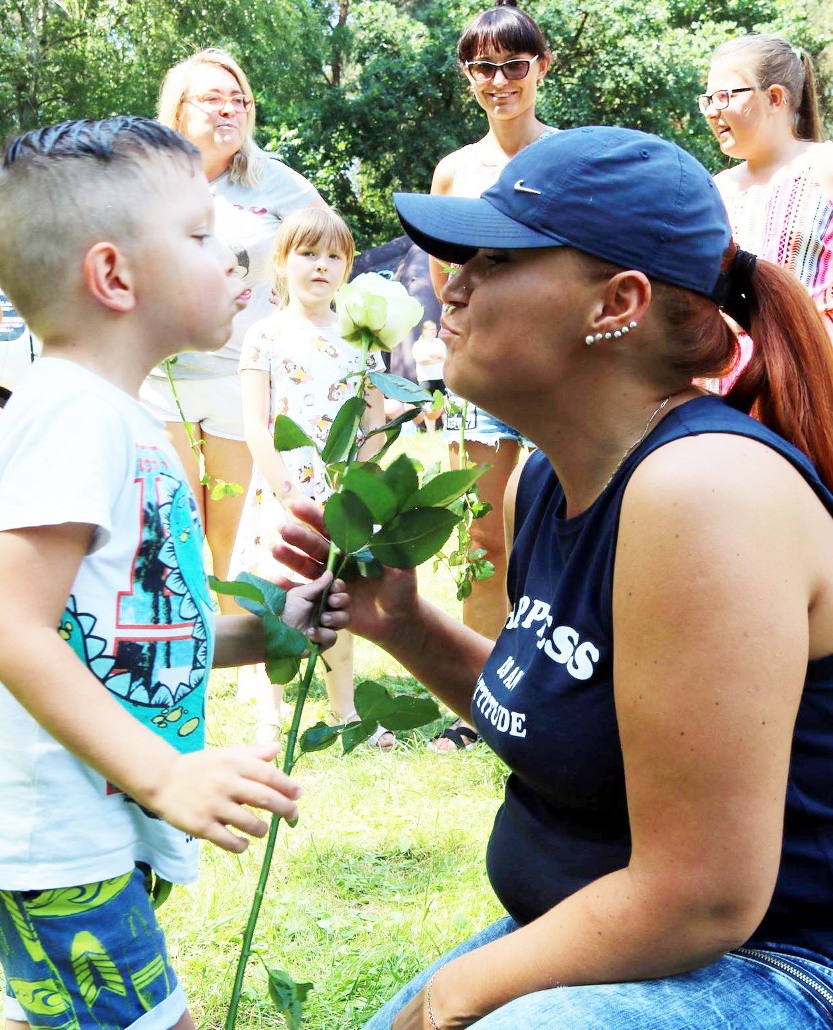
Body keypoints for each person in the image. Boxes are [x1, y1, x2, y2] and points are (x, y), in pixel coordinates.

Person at [276, 125, 833, 1028]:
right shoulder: (544, 478)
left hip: (778, 961)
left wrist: (454, 995)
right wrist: (408, 628)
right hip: (629, 933)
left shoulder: (705, 492)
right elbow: (564, 717)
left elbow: (704, 896)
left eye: (493, 259)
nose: (448, 287)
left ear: (617, 301)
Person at [0, 116, 348, 1030]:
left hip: (100, 814)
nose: (234, 256)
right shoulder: (73, 416)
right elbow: (9, 625)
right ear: (114, 277)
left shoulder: (125, 419)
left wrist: (271, 627)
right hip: (53, 832)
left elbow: (126, 628)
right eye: (200, 236)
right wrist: (163, 775)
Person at [138, 48, 327, 611]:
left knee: (233, 526)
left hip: (238, 374)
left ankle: (236, 641)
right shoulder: (144, 174)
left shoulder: (273, 180)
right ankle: (177, 638)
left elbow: (328, 243)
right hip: (157, 375)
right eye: (212, 99)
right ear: (179, 112)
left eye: (238, 100)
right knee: (171, 521)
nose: (229, 111)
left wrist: (296, 313)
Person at [428, 0, 555, 751]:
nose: (500, 79)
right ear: (467, 74)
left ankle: (556, 689)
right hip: (482, 375)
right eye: (483, 66)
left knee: (556, 533)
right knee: (482, 534)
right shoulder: (455, 170)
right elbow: (449, 278)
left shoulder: (572, 157)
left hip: (557, 374)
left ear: (542, 66)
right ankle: (479, 700)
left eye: (514, 64)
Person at [232, 207, 392, 748]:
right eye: (307, 253)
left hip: (342, 493)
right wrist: (286, 492)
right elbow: (256, 421)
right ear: (281, 261)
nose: (321, 266)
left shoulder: (364, 338)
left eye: (333, 256)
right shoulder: (264, 335)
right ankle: (269, 718)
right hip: (284, 490)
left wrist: (362, 481)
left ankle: (344, 710)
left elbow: (374, 419)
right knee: (277, 600)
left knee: (335, 598)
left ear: (347, 266)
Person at [701, 33, 832, 358]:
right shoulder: (717, 188)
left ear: (774, 98)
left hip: (811, 376)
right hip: (725, 389)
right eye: (706, 100)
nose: (711, 112)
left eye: (722, 97)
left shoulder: (824, 166)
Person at [412, 320, 446, 432]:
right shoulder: (418, 344)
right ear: (424, 330)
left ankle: (446, 429)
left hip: (440, 377)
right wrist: (435, 357)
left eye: (435, 329)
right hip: (425, 379)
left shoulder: (439, 342)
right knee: (428, 406)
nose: (433, 332)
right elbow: (421, 359)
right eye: (430, 329)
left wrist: (430, 356)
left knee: (444, 403)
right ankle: (431, 431)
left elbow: (444, 356)